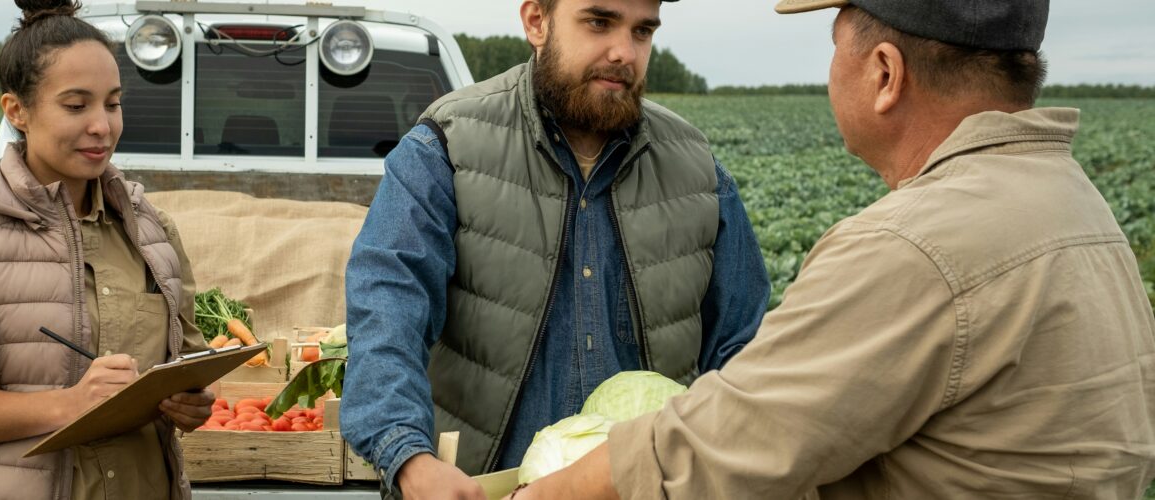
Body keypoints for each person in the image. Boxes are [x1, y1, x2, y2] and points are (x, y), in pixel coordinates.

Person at [509, 1, 1155, 498]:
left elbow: (724, 440)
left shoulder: (914, 245)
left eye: (835, 46)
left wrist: (546, 491)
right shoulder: (1076, 207)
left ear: (883, 73)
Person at [339, 0, 772, 497]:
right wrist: (409, 458)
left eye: (643, 31)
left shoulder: (698, 172)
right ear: (536, 21)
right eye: (599, 22)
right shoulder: (447, 148)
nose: (624, 52)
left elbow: (743, 353)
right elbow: (387, 306)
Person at [0, 1, 214, 498]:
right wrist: (70, 404)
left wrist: (193, 401)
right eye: (75, 105)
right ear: (16, 111)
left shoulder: (152, 231)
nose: (102, 126)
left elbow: (188, 358)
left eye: (112, 103)